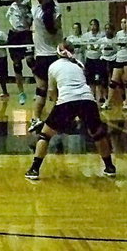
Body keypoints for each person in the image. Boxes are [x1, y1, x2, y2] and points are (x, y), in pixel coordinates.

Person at [24, 40, 117, 180]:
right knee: (98, 134)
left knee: (45, 135)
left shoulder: (53, 66)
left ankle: (34, 170)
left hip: (67, 100)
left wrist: (56, 106)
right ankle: (110, 167)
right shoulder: (78, 64)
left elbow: (51, 90)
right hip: (88, 100)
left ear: (58, 52)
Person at [25, 0, 62, 133]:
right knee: (56, 92)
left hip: (41, 59)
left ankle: (35, 119)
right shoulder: (56, 12)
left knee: (41, 91)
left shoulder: (37, 13)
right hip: (56, 59)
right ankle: (57, 121)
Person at [5, 0, 34, 105]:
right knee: (17, 65)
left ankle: (39, 88)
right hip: (14, 35)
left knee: (30, 61)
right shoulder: (13, 5)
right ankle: (21, 93)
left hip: (25, 34)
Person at [82, 19, 106, 103]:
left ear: (98, 26)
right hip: (89, 59)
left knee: (100, 80)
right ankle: (92, 96)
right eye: (91, 24)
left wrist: (97, 47)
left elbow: (104, 45)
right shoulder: (86, 36)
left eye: (94, 25)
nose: (93, 27)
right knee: (90, 79)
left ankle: (101, 96)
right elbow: (83, 46)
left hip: (99, 59)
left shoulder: (102, 35)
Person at [98, 23, 119, 110]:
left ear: (113, 30)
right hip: (104, 60)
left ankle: (119, 98)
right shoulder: (101, 40)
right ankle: (105, 97)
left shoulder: (116, 40)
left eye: (109, 29)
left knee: (114, 80)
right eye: (106, 29)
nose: (107, 31)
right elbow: (96, 48)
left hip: (114, 59)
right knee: (103, 80)